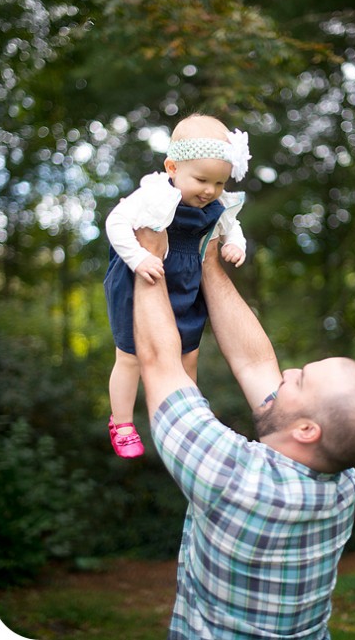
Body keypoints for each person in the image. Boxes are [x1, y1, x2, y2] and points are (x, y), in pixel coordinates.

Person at [133, 228, 355, 640]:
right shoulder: (343, 480)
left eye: (301, 379)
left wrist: (146, 255)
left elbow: (159, 364)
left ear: (307, 430)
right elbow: (256, 362)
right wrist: (207, 259)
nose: (287, 373)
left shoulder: (233, 479)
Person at [104, 114, 251, 458]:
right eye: (201, 180)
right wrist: (138, 258)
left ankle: (186, 423)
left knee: (189, 353)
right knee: (131, 356)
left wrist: (235, 245)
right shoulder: (153, 195)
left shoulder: (218, 202)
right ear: (172, 167)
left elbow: (232, 226)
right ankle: (122, 422)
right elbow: (116, 222)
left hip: (185, 280)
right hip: (141, 274)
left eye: (218, 183)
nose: (210, 191)